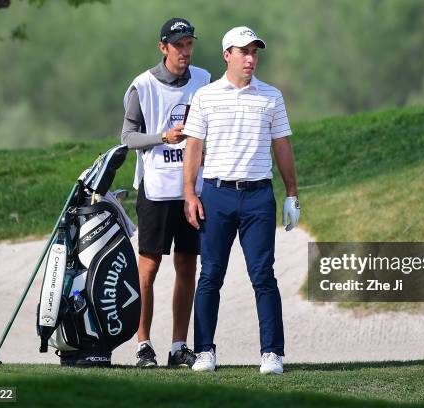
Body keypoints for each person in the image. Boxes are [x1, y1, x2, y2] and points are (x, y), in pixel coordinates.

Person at [182, 26, 300, 375]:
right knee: (211, 275)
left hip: (258, 195)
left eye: (254, 52)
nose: (250, 59)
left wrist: (292, 193)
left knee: (263, 275)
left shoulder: (271, 97)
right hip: (216, 195)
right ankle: (204, 351)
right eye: (243, 52)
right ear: (226, 56)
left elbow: (282, 146)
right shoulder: (206, 96)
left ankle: (272, 353)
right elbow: (193, 148)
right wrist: (190, 193)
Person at [121, 17, 210, 368]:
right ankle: (143, 344)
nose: (185, 51)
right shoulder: (142, 86)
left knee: (188, 264)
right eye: (178, 45)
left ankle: (177, 346)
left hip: (192, 190)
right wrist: (163, 137)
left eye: (189, 44)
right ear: (163, 47)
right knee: (148, 268)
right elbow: (127, 138)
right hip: (156, 189)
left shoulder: (204, 81)